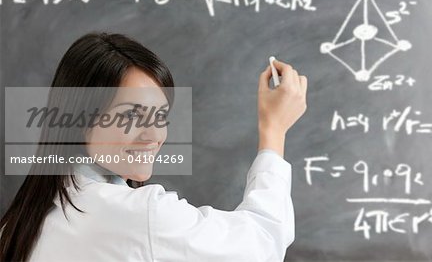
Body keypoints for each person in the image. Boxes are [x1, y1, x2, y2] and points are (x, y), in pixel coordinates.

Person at [0, 32, 308, 262]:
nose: (154, 135)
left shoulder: (18, 224)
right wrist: (274, 130)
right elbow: (263, 241)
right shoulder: (137, 215)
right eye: (131, 115)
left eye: (160, 115)